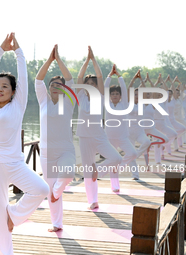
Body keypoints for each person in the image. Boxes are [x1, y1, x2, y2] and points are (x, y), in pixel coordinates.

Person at [0, 33, 49, 255]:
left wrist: (19, 52)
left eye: (4, 87)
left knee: (41, 189)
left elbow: (23, 76)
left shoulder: (17, 105)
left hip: (13, 162)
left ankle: (15, 214)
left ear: (13, 92)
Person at [35, 45, 76, 232]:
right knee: (50, 189)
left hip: (65, 149)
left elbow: (70, 79)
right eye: (53, 85)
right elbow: (38, 79)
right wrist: (49, 61)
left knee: (67, 174)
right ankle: (56, 224)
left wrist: (58, 60)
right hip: (46, 153)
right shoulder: (43, 101)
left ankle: (58, 190)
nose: (55, 87)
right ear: (49, 88)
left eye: (60, 85)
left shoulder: (68, 101)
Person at [76, 46, 122, 210]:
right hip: (84, 137)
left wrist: (93, 60)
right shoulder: (81, 96)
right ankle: (93, 200)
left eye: (92, 84)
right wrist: (86, 61)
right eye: (87, 84)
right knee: (88, 170)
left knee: (116, 158)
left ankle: (99, 171)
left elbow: (101, 76)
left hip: (99, 136)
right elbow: (79, 77)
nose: (89, 86)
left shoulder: (101, 96)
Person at [104, 64, 137, 179]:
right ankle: (114, 185)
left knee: (133, 153)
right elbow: (105, 88)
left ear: (120, 96)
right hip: (110, 137)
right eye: (112, 94)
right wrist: (109, 76)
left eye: (117, 94)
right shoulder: (107, 104)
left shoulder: (124, 104)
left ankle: (120, 167)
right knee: (113, 160)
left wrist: (119, 76)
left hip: (123, 137)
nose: (114, 95)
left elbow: (123, 87)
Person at [127, 70, 151, 179]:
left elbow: (145, 91)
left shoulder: (143, 103)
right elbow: (128, 89)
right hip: (128, 131)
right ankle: (135, 175)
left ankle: (136, 155)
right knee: (131, 153)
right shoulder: (128, 103)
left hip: (139, 131)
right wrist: (133, 79)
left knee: (147, 141)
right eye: (135, 94)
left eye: (138, 94)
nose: (136, 96)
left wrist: (141, 79)